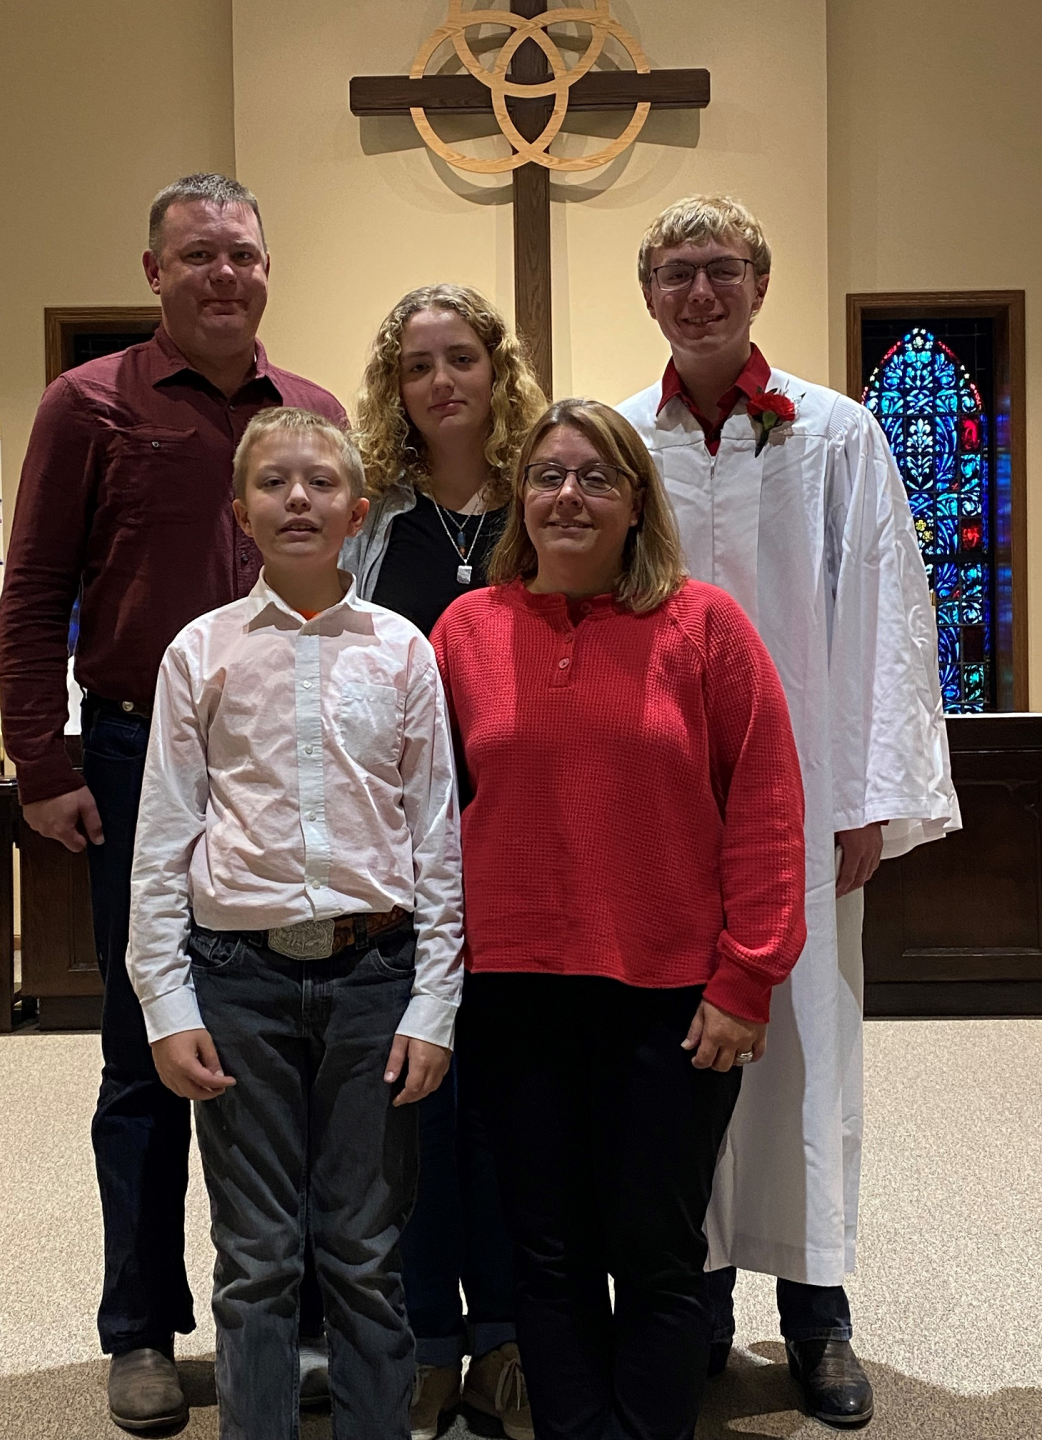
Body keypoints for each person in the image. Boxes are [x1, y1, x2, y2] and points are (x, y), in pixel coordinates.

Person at [0, 174, 345, 1431]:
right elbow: (34, 595)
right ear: (154, 271)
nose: (224, 275)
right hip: (139, 759)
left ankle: (304, 1319)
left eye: (242, 255)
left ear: (267, 269)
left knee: (300, 1039)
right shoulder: (89, 405)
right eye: (197, 254)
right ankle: (139, 1329)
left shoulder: (310, 412)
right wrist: (41, 764)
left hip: (280, 760)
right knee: (148, 1050)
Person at [618, 195, 959, 1429]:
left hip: (801, 799)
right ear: (646, 290)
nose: (699, 293)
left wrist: (865, 799)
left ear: (759, 281)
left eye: (721, 270)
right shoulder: (618, 436)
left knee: (805, 1045)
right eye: (675, 272)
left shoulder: (835, 432)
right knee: (677, 1051)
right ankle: (696, 1304)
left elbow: (881, 615)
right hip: (658, 809)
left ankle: (818, 1315)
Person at [431, 398, 809, 1440]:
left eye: (597, 477)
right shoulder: (468, 631)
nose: (569, 495)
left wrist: (747, 978)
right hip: (513, 990)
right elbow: (427, 813)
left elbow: (769, 803)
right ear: (520, 499)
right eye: (548, 475)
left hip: (672, 996)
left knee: (653, 1249)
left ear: (637, 502)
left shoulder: (705, 626)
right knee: (544, 1251)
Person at [126, 407, 463, 1440]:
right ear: (242, 515)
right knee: (259, 1254)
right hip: (239, 979)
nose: (299, 499)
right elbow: (162, 838)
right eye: (275, 483)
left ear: (357, 511)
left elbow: (436, 838)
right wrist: (165, 997)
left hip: (375, 976)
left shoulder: (403, 653)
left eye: (321, 483)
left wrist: (436, 1001)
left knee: (364, 1249)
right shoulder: (201, 652)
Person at [345, 283, 544, 1440]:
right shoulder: (373, 517)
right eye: (417, 365)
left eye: (461, 358)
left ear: (496, 370)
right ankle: (424, 1337)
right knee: (414, 1101)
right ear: (395, 386)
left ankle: (506, 1335)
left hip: (524, 845)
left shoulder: (544, 500)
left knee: (509, 1106)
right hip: (405, 853)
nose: (441, 382)